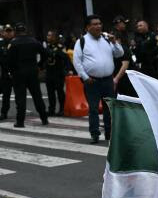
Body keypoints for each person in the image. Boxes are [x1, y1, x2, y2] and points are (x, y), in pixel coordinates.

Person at [73, 14, 123, 143]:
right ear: (87, 27)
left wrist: (115, 43)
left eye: (99, 23)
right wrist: (85, 77)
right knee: (94, 108)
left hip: (107, 80)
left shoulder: (106, 40)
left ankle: (109, 133)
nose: (98, 26)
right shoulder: (82, 41)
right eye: (94, 24)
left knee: (109, 108)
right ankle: (95, 134)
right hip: (92, 81)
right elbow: (77, 62)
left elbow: (119, 54)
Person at [7, 22, 48, 128]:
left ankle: (20, 122)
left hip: (18, 73)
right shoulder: (34, 41)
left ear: (16, 32)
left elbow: (9, 60)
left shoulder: (13, 43)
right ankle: (44, 118)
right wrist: (40, 65)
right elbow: (45, 53)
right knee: (37, 95)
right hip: (33, 71)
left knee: (20, 98)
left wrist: (11, 72)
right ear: (25, 31)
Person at [43, 29, 73, 116]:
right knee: (50, 93)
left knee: (60, 92)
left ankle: (62, 109)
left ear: (54, 37)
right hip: (49, 73)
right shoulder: (47, 47)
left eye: (50, 35)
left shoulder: (60, 47)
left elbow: (66, 59)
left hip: (58, 73)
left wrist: (69, 69)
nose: (48, 37)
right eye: (48, 35)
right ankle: (51, 109)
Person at [112, 15, 135, 97]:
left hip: (122, 75)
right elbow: (125, 64)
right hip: (124, 77)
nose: (125, 25)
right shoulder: (119, 42)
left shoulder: (123, 35)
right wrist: (116, 79)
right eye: (123, 23)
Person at [0, 24, 15, 120]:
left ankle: (20, 112)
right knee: (5, 94)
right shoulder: (0, 44)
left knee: (19, 94)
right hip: (4, 72)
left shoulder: (16, 43)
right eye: (7, 31)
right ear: (3, 32)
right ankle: (3, 113)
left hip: (16, 72)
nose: (8, 33)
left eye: (10, 31)